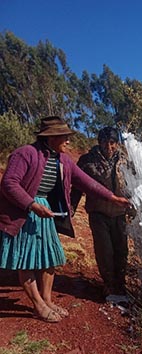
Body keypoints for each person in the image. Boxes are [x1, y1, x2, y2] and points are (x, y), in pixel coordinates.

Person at [0, 116, 131, 323]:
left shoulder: (63, 160)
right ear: (51, 137)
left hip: (45, 212)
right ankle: (38, 305)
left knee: (50, 257)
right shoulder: (25, 154)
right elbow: (9, 183)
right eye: (65, 137)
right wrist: (32, 205)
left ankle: (47, 300)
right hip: (25, 212)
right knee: (27, 259)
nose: (68, 141)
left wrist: (112, 197)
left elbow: (86, 182)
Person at [70, 127, 131, 305]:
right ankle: (109, 285)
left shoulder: (126, 161)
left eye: (112, 143)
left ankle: (120, 285)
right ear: (99, 142)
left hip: (120, 213)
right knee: (104, 250)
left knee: (121, 251)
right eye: (105, 142)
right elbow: (77, 186)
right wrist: (71, 208)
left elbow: (135, 187)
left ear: (117, 143)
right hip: (98, 213)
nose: (109, 146)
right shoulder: (87, 161)